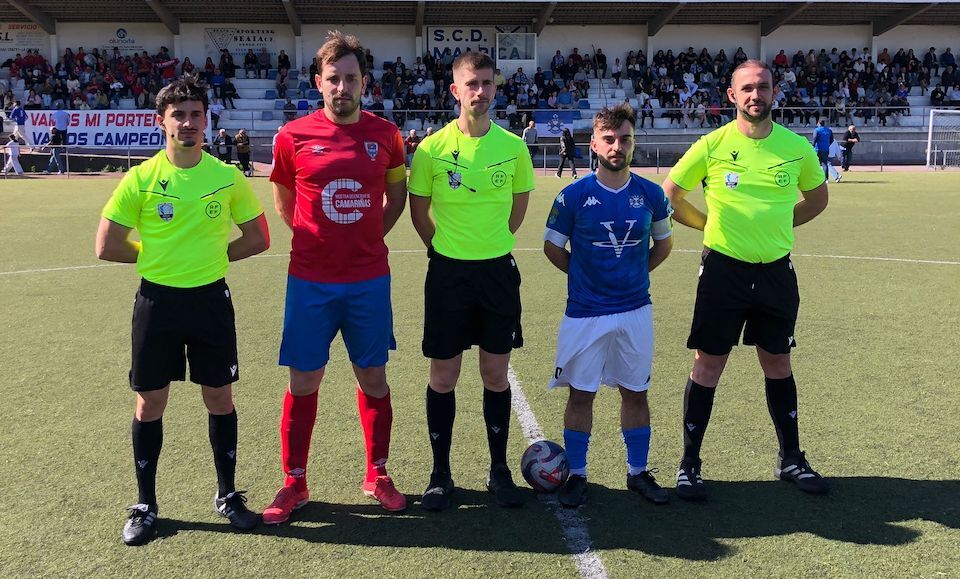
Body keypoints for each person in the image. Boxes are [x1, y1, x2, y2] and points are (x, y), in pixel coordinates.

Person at [95, 79, 270, 546]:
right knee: (150, 402)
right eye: (179, 115)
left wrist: (209, 259)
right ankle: (145, 505)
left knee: (220, 398)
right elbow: (106, 245)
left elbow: (258, 238)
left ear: (206, 119)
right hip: (157, 304)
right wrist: (159, 259)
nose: (188, 123)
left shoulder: (226, 177)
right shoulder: (141, 179)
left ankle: (228, 495)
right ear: (162, 122)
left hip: (210, 300)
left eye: (196, 114)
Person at [662, 59, 830, 502]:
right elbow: (670, 195)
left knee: (778, 362)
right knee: (708, 364)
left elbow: (817, 198)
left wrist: (778, 226)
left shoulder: (796, 147)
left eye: (764, 87)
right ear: (732, 96)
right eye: (747, 89)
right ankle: (690, 465)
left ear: (774, 93)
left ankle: (791, 458)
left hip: (776, 272)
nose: (756, 95)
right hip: (723, 271)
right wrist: (707, 224)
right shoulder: (712, 144)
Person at [264, 31, 409, 525]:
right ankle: (295, 481)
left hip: (369, 279)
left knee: (373, 376)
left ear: (363, 83)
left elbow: (397, 198)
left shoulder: (385, 135)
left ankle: (378, 473)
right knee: (304, 380)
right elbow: (284, 200)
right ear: (318, 82)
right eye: (333, 79)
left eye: (351, 79)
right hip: (310, 280)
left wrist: (368, 236)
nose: (342, 87)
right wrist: (314, 240)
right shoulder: (292, 136)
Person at [408, 51, 534, 512]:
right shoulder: (431, 149)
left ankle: (498, 470)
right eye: (471, 84)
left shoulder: (513, 147)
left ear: (495, 88)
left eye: (487, 83)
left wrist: (491, 242)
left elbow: (518, 207)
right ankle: (440, 473)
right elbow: (420, 212)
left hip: (497, 272)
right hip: (448, 274)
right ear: (455, 91)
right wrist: (446, 249)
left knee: (495, 373)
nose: (480, 92)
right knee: (444, 375)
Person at [543, 104, 673, 508]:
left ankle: (637, 472)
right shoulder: (573, 196)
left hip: (635, 310)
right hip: (585, 313)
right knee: (581, 394)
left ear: (633, 143)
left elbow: (663, 244)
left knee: (636, 392)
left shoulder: (651, 194)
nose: (618, 146)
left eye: (625, 139)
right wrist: (585, 278)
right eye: (610, 140)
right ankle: (577, 475)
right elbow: (552, 247)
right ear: (595, 144)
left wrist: (636, 275)